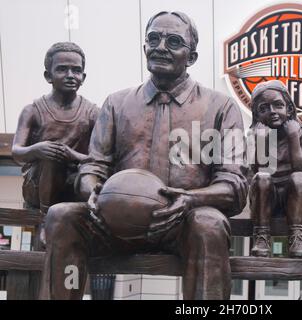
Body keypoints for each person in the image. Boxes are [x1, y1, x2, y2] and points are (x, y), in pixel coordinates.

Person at [40, 11, 248, 300]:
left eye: (174, 41)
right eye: (154, 38)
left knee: (208, 224)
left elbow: (234, 186)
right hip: (115, 219)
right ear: (144, 48)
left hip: (182, 223)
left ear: (192, 57)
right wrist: (93, 192)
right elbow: (93, 167)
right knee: (62, 215)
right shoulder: (116, 103)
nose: (160, 46)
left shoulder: (222, 107)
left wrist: (190, 199)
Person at [12, 42, 98, 243]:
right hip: (39, 185)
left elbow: (99, 158)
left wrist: (71, 155)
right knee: (51, 157)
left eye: (76, 70)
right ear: (48, 76)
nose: (70, 75)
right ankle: (45, 221)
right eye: (62, 69)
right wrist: (37, 149)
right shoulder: (32, 110)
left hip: (74, 183)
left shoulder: (93, 113)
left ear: (83, 78)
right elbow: (16, 151)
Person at [248, 80, 302, 258]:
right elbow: (255, 170)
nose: (272, 112)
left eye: (278, 105)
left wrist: (292, 136)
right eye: (264, 108)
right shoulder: (255, 136)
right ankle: (262, 236)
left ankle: (297, 236)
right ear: (257, 115)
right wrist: (260, 141)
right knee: (262, 177)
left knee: (299, 178)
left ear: (289, 109)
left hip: (296, 199)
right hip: (266, 199)